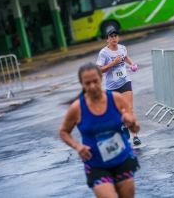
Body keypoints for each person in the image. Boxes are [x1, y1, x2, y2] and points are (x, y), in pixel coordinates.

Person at [59, 63, 140, 197]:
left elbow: (135, 126)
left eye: (95, 81)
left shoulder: (116, 99)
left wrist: (131, 123)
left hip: (122, 158)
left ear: (101, 79)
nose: (92, 86)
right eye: (87, 83)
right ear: (82, 84)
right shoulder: (77, 108)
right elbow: (63, 131)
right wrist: (78, 146)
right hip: (96, 164)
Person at [96, 28, 142, 146]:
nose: (114, 38)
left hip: (125, 81)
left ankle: (135, 136)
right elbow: (99, 70)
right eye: (111, 36)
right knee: (118, 111)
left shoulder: (122, 48)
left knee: (129, 108)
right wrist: (112, 63)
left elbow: (125, 57)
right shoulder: (103, 53)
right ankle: (123, 125)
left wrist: (132, 64)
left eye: (116, 36)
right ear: (107, 39)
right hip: (112, 86)